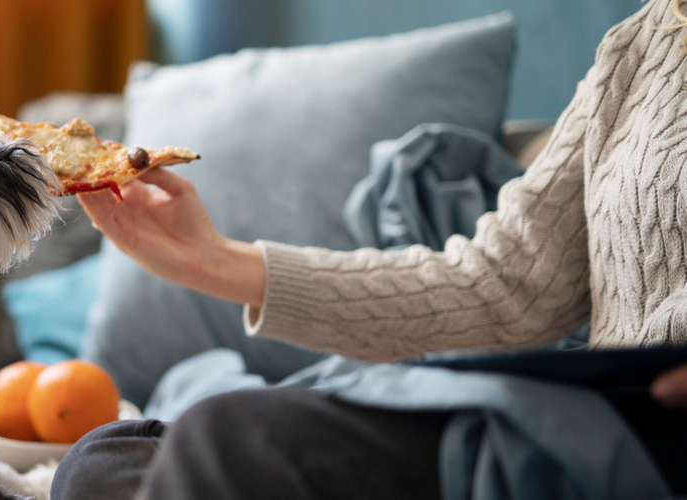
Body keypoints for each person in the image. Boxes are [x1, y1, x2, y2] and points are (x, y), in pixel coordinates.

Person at [50, 0, 687, 498]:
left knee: (222, 447)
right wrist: (213, 261)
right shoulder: (642, 44)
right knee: (106, 464)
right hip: (576, 422)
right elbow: (502, 285)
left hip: (636, 449)